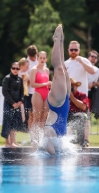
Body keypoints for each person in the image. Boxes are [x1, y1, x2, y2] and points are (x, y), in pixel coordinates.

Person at [42, 24, 71, 155]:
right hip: (64, 104)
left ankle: (56, 40)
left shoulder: (47, 133)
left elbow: (52, 156)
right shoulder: (56, 141)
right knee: (63, 68)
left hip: (57, 105)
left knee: (58, 69)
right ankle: (61, 41)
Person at [30, 51, 52, 144]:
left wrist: (50, 85)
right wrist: (46, 84)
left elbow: (48, 84)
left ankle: (41, 139)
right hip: (38, 94)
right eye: (40, 58)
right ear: (37, 59)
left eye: (44, 58)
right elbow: (32, 84)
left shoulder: (47, 70)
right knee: (36, 117)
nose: (42, 60)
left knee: (44, 118)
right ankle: (34, 139)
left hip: (46, 94)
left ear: (46, 59)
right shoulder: (34, 69)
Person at [1, 62, 24, 147]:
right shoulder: (7, 78)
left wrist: (20, 101)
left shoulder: (20, 79)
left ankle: (13, 141)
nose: (15, 70)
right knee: (7, 122)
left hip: (17, 103)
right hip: (8, 103)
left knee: (15, 122)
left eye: (17, 68)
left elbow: (22, 91)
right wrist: (13, 103)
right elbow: (5, 92)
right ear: (11, 69)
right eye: (13, 68)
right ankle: (7, 142)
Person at [67, 78, 89, 147]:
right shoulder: (62, 95)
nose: (71, 88)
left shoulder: (81, 95)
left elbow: (84, 107)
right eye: (69, 86)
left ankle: (81, 141)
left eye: (72, 86)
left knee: (82, 116)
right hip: (65, 115)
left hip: (77, 114)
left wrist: (72, 97)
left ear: (76, 86)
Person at [25, 45, 38, 129]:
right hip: (29, 92)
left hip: (38, 91)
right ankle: (32, 136)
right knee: (31, 114)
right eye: (31, 57)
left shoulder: (40, 61)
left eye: (34, 57)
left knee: (39, 114)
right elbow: (24, 77)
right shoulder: (25, 62)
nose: (33, 59)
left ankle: (39, 135)